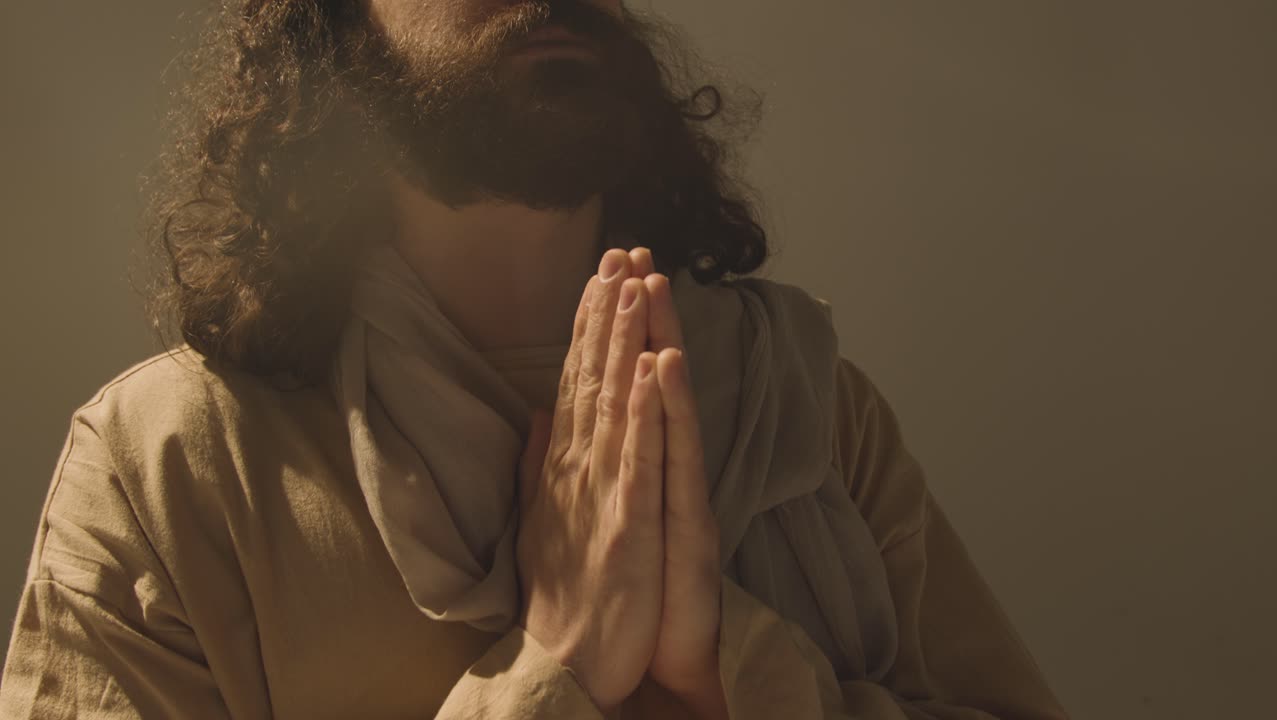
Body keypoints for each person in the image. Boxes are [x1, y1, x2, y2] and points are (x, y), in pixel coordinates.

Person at [0, 1, 1070, 718]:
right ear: (329, 32)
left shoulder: (811, 403)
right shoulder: (171, 461)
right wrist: (553, 662)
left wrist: (726, 658)